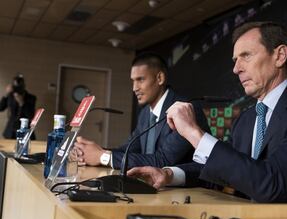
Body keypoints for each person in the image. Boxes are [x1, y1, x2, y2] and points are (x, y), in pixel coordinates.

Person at [127, 22, 287, 219]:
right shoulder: (246, 118)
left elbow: (272, 183)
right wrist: (168, 174)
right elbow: (222, 169)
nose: (236, 69)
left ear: (280, 55)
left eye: (246, 56)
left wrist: (194, 132)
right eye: (235, 60)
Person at [75, 52, 209, 170]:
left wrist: (103, 157)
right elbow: (128, 150)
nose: (134, 88)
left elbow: (163, 161)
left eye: (140, 80)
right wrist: (90, 152)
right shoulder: (145, 113)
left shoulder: (185, 109)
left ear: (159, 78)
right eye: (133, 81)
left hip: (190, 192)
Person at [0, 74, 36, 139]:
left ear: (24, 86)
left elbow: (31, 115)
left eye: (19, 86)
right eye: (15, 86)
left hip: (25, 130)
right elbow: (1, 108)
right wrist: (6, 95)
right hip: (10, 131)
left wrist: (22, 103)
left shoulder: (31, 98)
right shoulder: (10, 96)